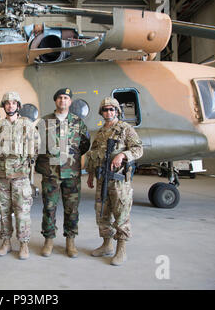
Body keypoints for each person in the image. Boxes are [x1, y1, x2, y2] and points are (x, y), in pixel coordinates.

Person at [86, 97, 143, 266]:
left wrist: (122, 155)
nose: (108, 112)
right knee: (102, 213)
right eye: (105, 110)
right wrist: (90, 175)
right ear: (101, 113)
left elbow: (138, 149)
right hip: (102, 179)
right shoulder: (101, 132)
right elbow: (93, 154)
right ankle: (106, 245)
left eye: (112, 109)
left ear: (117, 111)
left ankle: (121, 250)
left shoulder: (126, 129)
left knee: (120, 214)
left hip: (119, 181)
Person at [35, 88, 91, 258]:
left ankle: (70, 241)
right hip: (50, 173)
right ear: (55, 101)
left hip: (71, 174)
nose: (63, 101)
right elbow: (37, 145)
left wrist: (71, 158)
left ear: (70, 102)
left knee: (71, 208)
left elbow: (85, 144)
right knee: (49, 208)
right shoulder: (44, 121)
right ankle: (49, 240)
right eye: (60, 98)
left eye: (66, 98)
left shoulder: (77, 122)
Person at [0, 91, 40, 260]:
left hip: (20, 178)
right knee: (4, 212)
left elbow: (36, 146)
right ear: (3, 106)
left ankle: (23, 244)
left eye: (13, 103)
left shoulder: (27, 124)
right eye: (7, 103)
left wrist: (26, 163)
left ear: (18, 106)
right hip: (3, 177)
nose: (10, 106)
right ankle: (6, 242)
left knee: (22, 213)